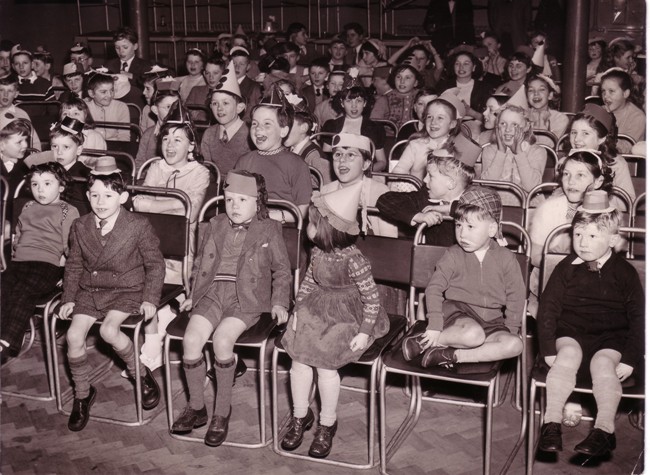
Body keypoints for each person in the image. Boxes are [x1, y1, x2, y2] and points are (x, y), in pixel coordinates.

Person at [170, 170, 290, 446]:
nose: (234, 206)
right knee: (190, 340)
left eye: (242, 200)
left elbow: (282, 270)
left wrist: (279, 301)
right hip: (212, 293)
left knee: (223, 341)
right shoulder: (214, 224)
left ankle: (221, 412)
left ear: (258, 202)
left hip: (244, 298)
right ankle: (197, 407)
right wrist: (193, 294)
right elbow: (201, 265)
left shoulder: (269, 228)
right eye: (229, 199)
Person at [280, 182, 389, 458]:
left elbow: (372, 299)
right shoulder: (317, 252)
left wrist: (365, 332)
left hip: (350, 315)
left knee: (326, 367)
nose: (307, 230)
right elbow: (308, 283)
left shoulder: (355, 260)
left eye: (312, 224)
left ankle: (327, 423)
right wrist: (297, 311)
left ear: (330, 229)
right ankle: (300, 415)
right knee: (299, 358)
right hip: (318, 308)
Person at [58, 161, 165, 431]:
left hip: (126, 290)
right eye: (94, 194)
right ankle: (83, 394)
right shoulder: (80, 226)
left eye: (108, 195)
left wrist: (150, 299)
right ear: (86, 195)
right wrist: (69, 297)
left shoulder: (138, 225)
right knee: (72, 336)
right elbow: (73, 265)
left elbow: (155, 264)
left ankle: (141, 375)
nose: (100, 201)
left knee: (108, 330)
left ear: (123, 197)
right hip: (91, 290)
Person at [536, 191, 643, 458]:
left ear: (613, 239)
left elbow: (640, 317)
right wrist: (548, 348)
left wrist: (630, 358)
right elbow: (548, 310)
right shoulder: (566, 267)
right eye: (578, 234)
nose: (583, 243)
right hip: (570, 334)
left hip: (610, 339)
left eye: (593, 236)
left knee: (603, 364)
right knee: (568, 354)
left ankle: (604, 430)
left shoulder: (625, 272)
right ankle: (551, 424)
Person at [401, 187, 525, 369]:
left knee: (515, 345)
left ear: (492, 229)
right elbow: (434, 289)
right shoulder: (453, 255)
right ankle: (423, 341)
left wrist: (511, 329)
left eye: (470, 227)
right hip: (457, 315)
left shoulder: (506, 258)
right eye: (458, 225)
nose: (462, 234)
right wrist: (435, 324)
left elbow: (517, 296)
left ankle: (451, 355)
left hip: (492, 321)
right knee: (473, 335)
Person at [133, 107, 210, 370]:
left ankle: (155, 337)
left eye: (178, 139)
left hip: (182, 245)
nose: (169, 145)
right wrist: (176, 203)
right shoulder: (155, 167)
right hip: (149, 238)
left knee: (159, 283)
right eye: (166, 138)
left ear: (191, 145)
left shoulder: (200, 172)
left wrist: (156, 203)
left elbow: (192, 210)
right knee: (142, 282)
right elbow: (138, 203)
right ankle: (154, 336)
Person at [0, 162, 79, 357]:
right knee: (3, 287)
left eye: (46, 184)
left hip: (47, 265)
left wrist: (67, 273)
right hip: (20, 262)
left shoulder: (68, 210)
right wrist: (16, 253)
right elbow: (19, 236)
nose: (40, 189)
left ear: (61, 186)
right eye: (35, 184)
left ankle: (5, 340)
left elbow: (72, 246)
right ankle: (5, 338)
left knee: (23, 291)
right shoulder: (28, 206)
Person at [527, 149, 614, 318]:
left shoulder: (608, 213)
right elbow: (535, 256)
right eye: (566, 174)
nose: (571, 181)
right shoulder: (548, 208)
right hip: (548, 282)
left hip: (591, 285)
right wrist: (558, 258)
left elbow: (610, 261)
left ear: (598, 181)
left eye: (580, 175)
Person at [377, 133, 481, 246]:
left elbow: (483, 208)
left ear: (450, 183)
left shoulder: (476, 198)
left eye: (430, 176)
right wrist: (417, 216)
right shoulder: (426, 197)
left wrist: (449, 208)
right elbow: (385, 200)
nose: (424, 180)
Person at [233, 85, 312, 221]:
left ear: (283, 131)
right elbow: (234, 200)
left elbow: (303, 210)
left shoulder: (296, 164)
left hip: (283, 228)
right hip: (247, 225)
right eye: (255, 124)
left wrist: (271, 216)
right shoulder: (244, 161)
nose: (258, 130)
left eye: (267, 124)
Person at [322, 133, 396, 237]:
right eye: (338, 154)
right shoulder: (326, 192)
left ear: (365, 164)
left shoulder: (381, 193)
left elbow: (389, 240)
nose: (342, 160)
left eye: (351, 155)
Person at [562, 103, 635, 204]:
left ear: (601, 139)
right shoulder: (567, 162)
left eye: (585, 133)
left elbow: (627, 202)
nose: (577, 139)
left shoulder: (616, 164)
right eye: (574, 132)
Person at [480, 104, 546, 205]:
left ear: (526, 127)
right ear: (497, 127)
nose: (507, 129)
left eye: (514, 125)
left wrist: (519, 153)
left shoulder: (537, 151)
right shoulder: (489, 150)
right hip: (495, 207)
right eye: (503, 124)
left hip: (528, 207)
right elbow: (487, 185)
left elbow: (531, 187)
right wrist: (501, 153)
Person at [391, 93, 464, 182]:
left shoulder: (459, 148)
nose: (433, 122)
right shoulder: (416, 145)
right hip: (415, 192)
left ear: (452, 124)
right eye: (429, 117)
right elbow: (399, 171)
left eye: (440, 118)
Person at [322, 76, 387, 172]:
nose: (354, 106)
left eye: (359, 101)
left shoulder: (374, 128)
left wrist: (364, 171)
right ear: (342, 103)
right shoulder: (331, 126)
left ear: (365, 103)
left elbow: (382, 162)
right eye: (349, 101)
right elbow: (325, 159)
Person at [200, 61, 252, 176]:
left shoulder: (250, 134)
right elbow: (205, 170)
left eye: (225, 103)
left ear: (239, 107)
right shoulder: (209, 134)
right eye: (214, 104)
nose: (219, 108)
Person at [284, 97, 333, 185]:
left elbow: (328, 186)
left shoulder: (315, 156)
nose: (283, 131)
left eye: (289, 126)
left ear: (304, 128)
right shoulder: (288, 150)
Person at [49, 117, 92, 213]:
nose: (59, 152)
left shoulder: (86, 175)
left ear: (79, 150)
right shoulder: (46, 170)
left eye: (66, 147)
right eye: (54, 146)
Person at [135, 80, 180, 170]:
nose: (174, 111)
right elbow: (139, 164)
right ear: (155, 110)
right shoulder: (148, 134)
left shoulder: (186, 132)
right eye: (168, 107)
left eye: (177, 106)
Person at [600, 69, 645, 152]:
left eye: (611, 91)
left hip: (624, 161)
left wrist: (601, 138)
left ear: (625, 94)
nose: (605, 96)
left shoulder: (638, 117)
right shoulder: (600, 111)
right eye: (603, 91)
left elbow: (626, 147)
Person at [371, 64, 423, 131]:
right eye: (398, 77)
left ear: (416, 82)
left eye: (407, 78)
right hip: (389, 138)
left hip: (416, 137)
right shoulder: (384, 99)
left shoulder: (422, 97)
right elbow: (374, 123)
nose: (402, 81)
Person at [84, 71, 130, 142]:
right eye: (103, 92)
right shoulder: (84, 107)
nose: (109, 95)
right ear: (91, 93)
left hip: (115, 147)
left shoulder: (121, 107)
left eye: (111, 90)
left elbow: (124, 136)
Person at [59, 96, 107, 162]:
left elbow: (98, 162)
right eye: (65, 114)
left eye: (76, 113)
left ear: (85, 116)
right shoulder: (58, 136)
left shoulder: (95, 137)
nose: (70, 117)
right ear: (60, 119)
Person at [525, 73, 569, 144]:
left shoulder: (560, 118)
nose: (536, 93)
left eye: (541, 89)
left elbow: (547, 147)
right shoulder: (522, 116)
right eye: (531, 90)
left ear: (550, 95)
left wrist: (541, 122)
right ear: (527, 97)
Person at [185, 56, 225, 123]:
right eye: (207, 73)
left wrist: (200, 114)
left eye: (215, 73)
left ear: (223, 74)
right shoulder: (196, 91)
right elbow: (186, 112)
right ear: (204, 73)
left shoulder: (228, 93)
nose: (211, 77)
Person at [231, 46, 262, 121]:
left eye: (241, 64)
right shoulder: (223, 84)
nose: (237, 67)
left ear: (248, 67)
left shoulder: (254, 87)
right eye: (234, 63)